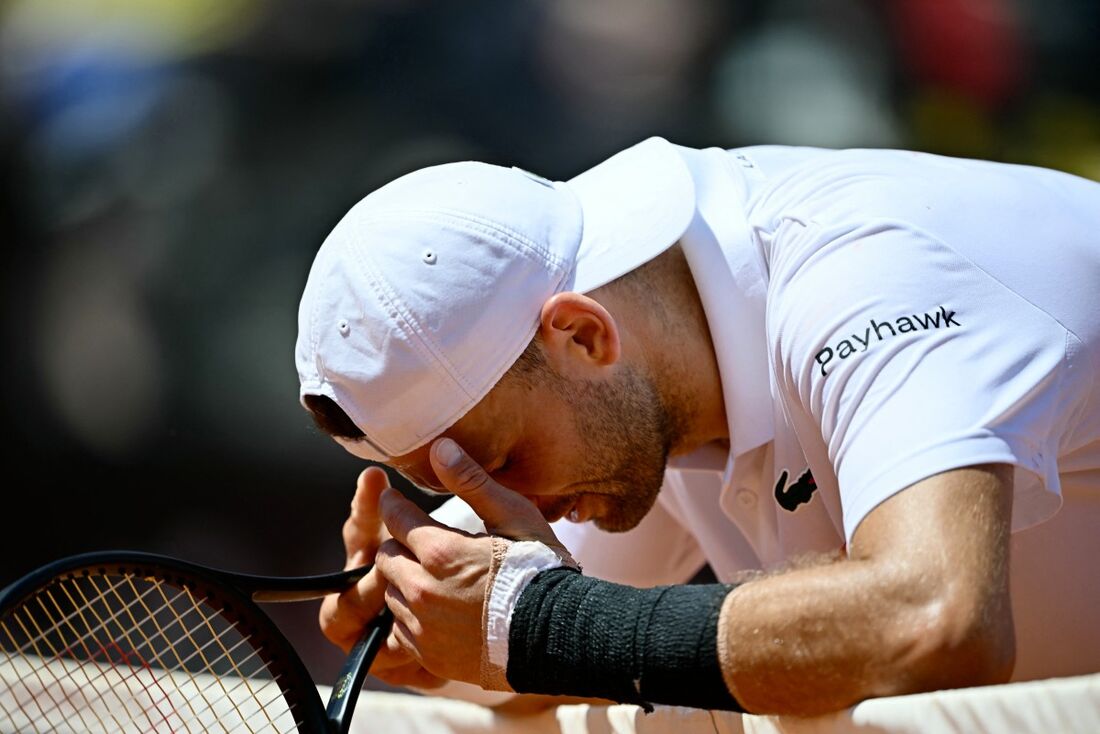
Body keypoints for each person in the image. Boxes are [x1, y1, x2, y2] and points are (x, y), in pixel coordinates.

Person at [295, 138, 1100, 716]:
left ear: (581, 335)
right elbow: (562, 662)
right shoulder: (636, 371)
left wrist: (536, 624)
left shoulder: (872, 278)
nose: (509, 504)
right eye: (446, 481)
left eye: (499, 458)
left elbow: (939, 622)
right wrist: (437, 634)